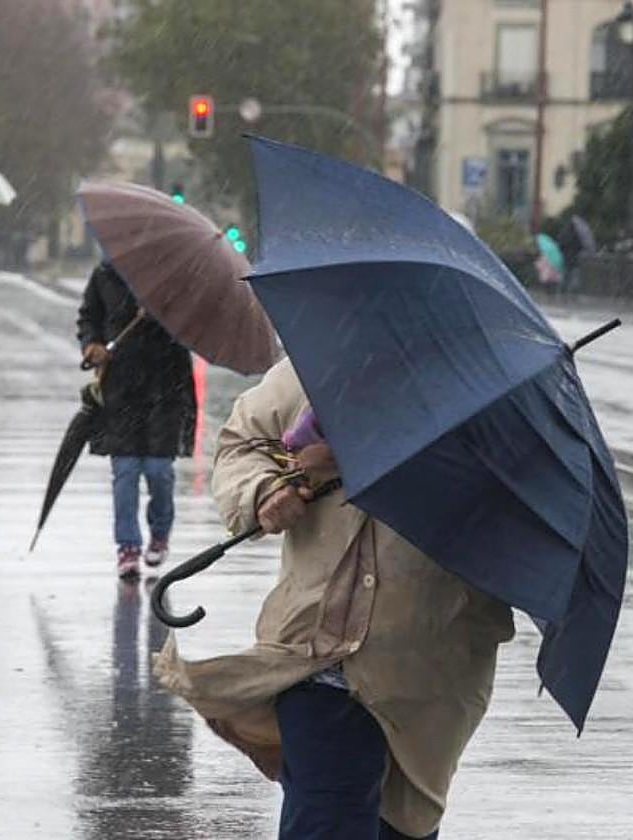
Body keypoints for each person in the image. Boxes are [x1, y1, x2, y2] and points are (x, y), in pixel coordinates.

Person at [154, 360, 515, 840]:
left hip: (430, 666)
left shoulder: (488, 391)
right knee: (327, 816)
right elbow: (241, 446)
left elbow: (521, 519)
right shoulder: (315, 368)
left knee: (403, 825)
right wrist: (267, 489)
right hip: (315, 655)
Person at [77, 261, 196, 579]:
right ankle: (127, 547)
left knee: (159, 472)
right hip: (121, 390)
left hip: (165, 389)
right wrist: (92, 344)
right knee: (125, 472)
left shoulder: (173, 276)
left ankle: (160, 533)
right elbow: (89, 316)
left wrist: (160, 312)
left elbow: (192, 322)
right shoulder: (105, 273)